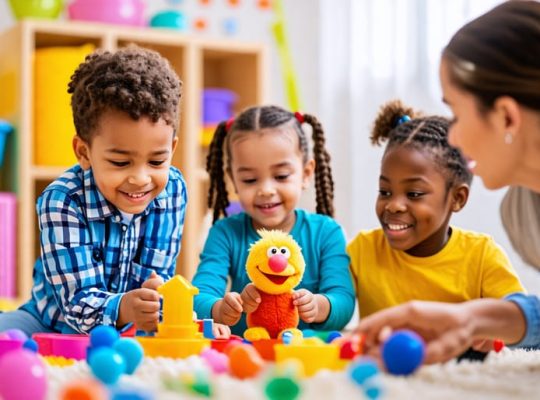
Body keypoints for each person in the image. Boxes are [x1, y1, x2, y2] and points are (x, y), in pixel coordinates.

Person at [355, 0, 540, 363]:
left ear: (505, 117)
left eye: (456, 112)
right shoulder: (523, 211)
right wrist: (470, 319)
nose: (452, 138)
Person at [0, 45, 217, 337]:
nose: (141, 178)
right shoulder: (62, 200)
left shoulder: (172, 190)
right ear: (84, 152)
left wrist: (157, 297)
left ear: (172, 148)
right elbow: (75, 304)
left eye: (156, 160)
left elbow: (158, 276)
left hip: (128, 329)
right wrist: (123, 307)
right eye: (120, 162)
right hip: (50, 323)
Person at [348, 100, 525, 319]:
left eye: (414, 194)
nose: (393, 205)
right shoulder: (363, 250)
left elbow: (519, 320)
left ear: (457, 198)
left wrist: (490, 330)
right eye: (385, 191)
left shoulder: (481, 256)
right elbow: (331, 300)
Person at [192, 105, 355, 336]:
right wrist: (220, 309)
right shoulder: (225, 233)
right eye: (249, 179)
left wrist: (318, 306)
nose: (266, 190)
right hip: (248, 350)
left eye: (281, 176)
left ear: (306, 174)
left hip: (307, 353)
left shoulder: (327, 232)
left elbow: (344, 300)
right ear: (233, 180)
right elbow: (199, 294)